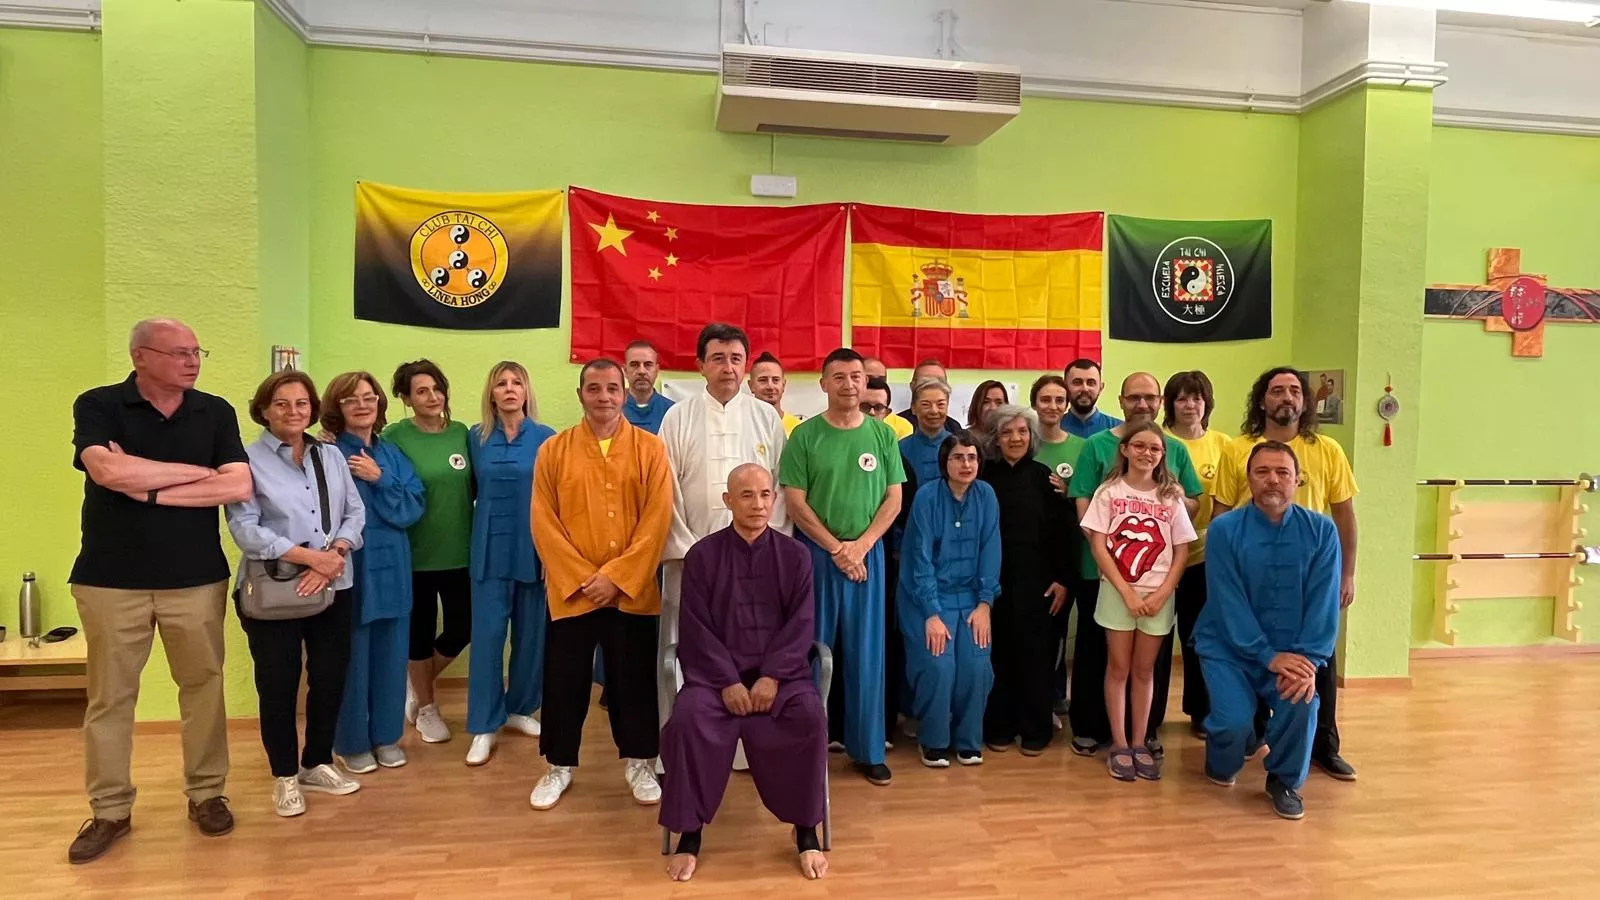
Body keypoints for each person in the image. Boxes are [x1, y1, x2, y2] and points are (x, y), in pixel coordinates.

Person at [67, 319, 253, 864]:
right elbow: (105, 472)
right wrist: (197, 475)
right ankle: (109, 810)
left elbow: (238, 484)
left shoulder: (214, 411)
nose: (192, 362)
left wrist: (146, 486)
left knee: (203, 688)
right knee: (111, 698)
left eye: (197, 352)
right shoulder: (99, 404)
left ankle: (206, 794)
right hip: (108, 579)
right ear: (141, 356)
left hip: (196, 579)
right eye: (179, 353)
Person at [659, 464, 829, 882]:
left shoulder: (795, 555)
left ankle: (806, 831)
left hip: (783, 678)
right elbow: (695, 627)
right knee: (687, 722)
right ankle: (690, 834)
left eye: (765, 494)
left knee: (809, 718)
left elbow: (802, 624)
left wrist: (772, 675)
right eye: (747, 495)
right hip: (716, 679)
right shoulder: (703, 556)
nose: (758, 504)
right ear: (728, 501)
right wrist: (728, 681)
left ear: (775, 499)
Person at [529, 358, 674, 810]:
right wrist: (583, 579)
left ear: (625, 392)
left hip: (631, 592)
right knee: (565, 680)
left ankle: (639, 761)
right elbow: (543, 522)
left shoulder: (650, 449)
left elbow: (657, 519)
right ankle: (558, 765)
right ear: (581, 395)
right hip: (574, 592)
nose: (604, 397)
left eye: (612, 388)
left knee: (633, 680)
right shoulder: (554, 451)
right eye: (594, 389)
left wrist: (617, 577)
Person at [226, 370, 367, 817]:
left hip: (334, 585)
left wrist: (337, 552)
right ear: (264, 410)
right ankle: (284, 776)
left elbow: (354, 511)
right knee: (279, 685)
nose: (293, 412)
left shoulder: (330, 455)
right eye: (282, 404)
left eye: (302, 403)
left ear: (312, 408)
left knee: (329, 679)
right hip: (274, 590)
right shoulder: (246, 460)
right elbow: (245, 528)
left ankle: (317, 762)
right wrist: (312, 560)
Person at [1212, 366, 1359, 781]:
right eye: (1277, 390)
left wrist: (1347, 573)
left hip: (1310, 574)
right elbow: (1222, 508)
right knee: (1248, 681)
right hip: (1249, 570)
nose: (1287, 397)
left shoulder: (1328, 449)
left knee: (1311, 676)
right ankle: (1250, 737)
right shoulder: (1238, 449)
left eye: (1295, 390)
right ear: (1263, 400)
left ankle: (1321, 749)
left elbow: (1345, 515)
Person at [659, 323, 790, 772]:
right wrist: (690, 551)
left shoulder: (765, 417)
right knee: (689, 649)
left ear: (747, 365)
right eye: (718, 358)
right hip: (693, 559)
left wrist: (771, 547)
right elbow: (666, 490)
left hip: (756, 561)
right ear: (700, 365)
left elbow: (779, 489)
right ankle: (688, 744)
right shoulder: (677, 418)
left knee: (753, 645)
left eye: (736, 358)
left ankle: (749, 746)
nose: (728, 367)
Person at [780, 348, 905, 785]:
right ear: (823, 384)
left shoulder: (882, 436)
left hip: (867, 560)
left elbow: (894, 497)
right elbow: (795, 503)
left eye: (856, 377)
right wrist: (837, 549)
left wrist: (862, 545)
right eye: (839, 377)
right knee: (812, 653)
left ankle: (868, 749)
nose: (849, 384)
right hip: (817, 558)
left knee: (867, 655)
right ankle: (806, 748)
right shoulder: (805, 436)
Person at [1197, 441, 1340, 820]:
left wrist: (1308, 660)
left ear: (1298, 480)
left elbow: (1324, 600)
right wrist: (1266, 655)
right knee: (1232, 723)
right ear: (1249, 480)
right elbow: (1227, 600)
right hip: (1228, 646)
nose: (1272, 481)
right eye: (1262, 472)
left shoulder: (1322, 531)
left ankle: (1284, 780)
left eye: (1282, 473)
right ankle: (1222, 759)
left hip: (1294, 648)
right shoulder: (1225, 529)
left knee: (1302, 701)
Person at [1065, 373, 1201, 758]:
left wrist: (1163, 591)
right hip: (1113, 586)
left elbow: (1181, 543)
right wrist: (1123, 587)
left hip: (1158, 593)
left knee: (1147, 671)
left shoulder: (1171, 483)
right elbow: (1093, 529)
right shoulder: (1105, 477)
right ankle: (1115, 741)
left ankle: (1141, 739)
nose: (1147, 453)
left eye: (1153, 448)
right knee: (1109, 665)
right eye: (1134, 398)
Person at [324, 372, 425, 775]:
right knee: (352, 657)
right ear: (337, 409)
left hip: (393, 567)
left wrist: (379, 479)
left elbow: (414, 504)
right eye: (352, 400)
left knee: (391, 654)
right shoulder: (328, 453)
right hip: (350, 567)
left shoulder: (392, 454)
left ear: (381, 404)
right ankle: (351, 742)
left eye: (370, 397)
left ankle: (386, 736)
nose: (363, 405)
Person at [463, 361, 557, 766]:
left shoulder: (547, 438)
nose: (509, 389)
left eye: (516, 382)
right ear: (492, 393)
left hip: (533, 549)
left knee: (531, 637)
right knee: (486, 639)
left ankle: (520, 709)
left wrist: (556, 556)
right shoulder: (475, 438)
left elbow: (557, 498)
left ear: (526, 390)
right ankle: (484, 724)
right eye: (500, 383)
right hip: (488, 550)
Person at [384, 359, 472, 745]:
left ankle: (416, 683)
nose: (432, 397)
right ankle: (427, 708)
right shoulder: (393, 437)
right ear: (405, 397)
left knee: (461, 628)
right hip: (414, 554)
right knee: (417, 634)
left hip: (461, 553)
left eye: (437, 389)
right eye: (421, 391)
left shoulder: (462, 433)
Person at [900, 434, 999, 768]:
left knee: (976, 666)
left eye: (972, 457)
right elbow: (919, 557)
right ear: (945, 463)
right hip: (926, 598)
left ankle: (968, 741)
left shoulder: (986, 495)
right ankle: (933, 740)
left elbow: (991, 550)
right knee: (938, 666)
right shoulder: (927, 497)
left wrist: (985, 604)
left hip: (972, 598)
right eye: (958, 457)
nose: (966, 464)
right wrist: (931, 612)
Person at [981, 406, 1075, 756]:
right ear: (995, 438)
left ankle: (1035, 727)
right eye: (1007, 433)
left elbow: (1064, 534)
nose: (1016, 438)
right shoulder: (984, 477)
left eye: (1022, 431)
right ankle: (999, 725)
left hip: (1040, 584)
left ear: (1032, 437)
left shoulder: (1044, 477)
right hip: (994, 582)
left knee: (1037, 657)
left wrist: (1064, 580)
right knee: (997, 656)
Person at [1162, 370, 1231, 736]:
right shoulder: (1157, 442)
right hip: (1156, 554)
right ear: (1169, 404)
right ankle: (1150, 714)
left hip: (1205, 554)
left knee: (1198, 635)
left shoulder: (1225, 445)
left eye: (1197, 398)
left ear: (1207, 404)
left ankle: (1200, 710)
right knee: (1156, 638)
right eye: (1182, 398)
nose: (1190, 405)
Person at [1030, 374, 1087, 716]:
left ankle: (1054, 694)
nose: (1052, 406)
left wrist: (1070, 492)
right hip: (1031, 557)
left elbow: (1092, 499)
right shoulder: (1025, 442)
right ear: (1034, 403)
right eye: (1045, 400)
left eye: (1058, 400)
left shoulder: (1082, 448)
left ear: (1066, 406)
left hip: (1072, 553)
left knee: (1059, 630)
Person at [899, 377, 955, 485]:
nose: (934, 411)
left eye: (940, 404)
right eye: (925, 405)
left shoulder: (957, 447)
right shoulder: (900, 449)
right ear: (913, 408)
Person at [895, 358, 963, 435]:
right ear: (912, 386)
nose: (932, 386)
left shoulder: (953, 427)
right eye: (924, 381)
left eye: (939, 381)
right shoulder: (896, 425)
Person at [623, 339, 674, 434]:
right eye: (634, 365)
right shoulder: (611, 410)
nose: (641, 371)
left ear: (657, 370)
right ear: (625, 371)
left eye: (648, 365)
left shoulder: (673, 412)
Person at [1061, 358, 1122, 439]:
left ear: (1100, 388)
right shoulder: (1053, 428)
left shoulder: (1119, 429)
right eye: (1077, 382)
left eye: (1091, 383)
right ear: (1065, 387)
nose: (1085, 389)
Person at [749, 351, 803, 436]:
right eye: (763, 380)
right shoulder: (741, 425)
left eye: (775, 380)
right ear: (751, 386)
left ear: (783, 385)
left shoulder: (798, 429)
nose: (770, 386)